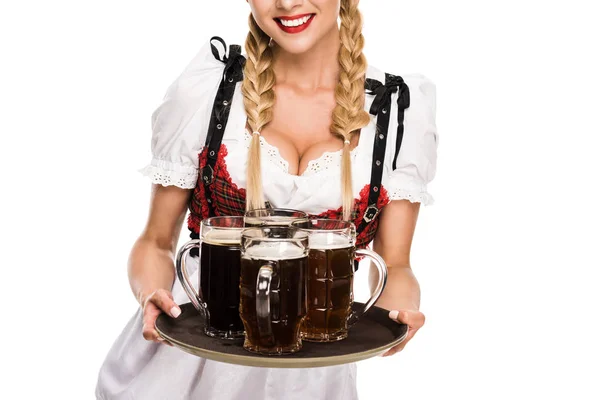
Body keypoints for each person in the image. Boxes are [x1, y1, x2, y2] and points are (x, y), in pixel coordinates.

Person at [95, 0, 437, 399]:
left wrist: (396, 316)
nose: (287, 3)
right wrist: (151, 294)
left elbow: (394, 264)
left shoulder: (396, 111)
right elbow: (155, 241)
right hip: (184, 369)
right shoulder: (208, 92)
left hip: (309, 376)